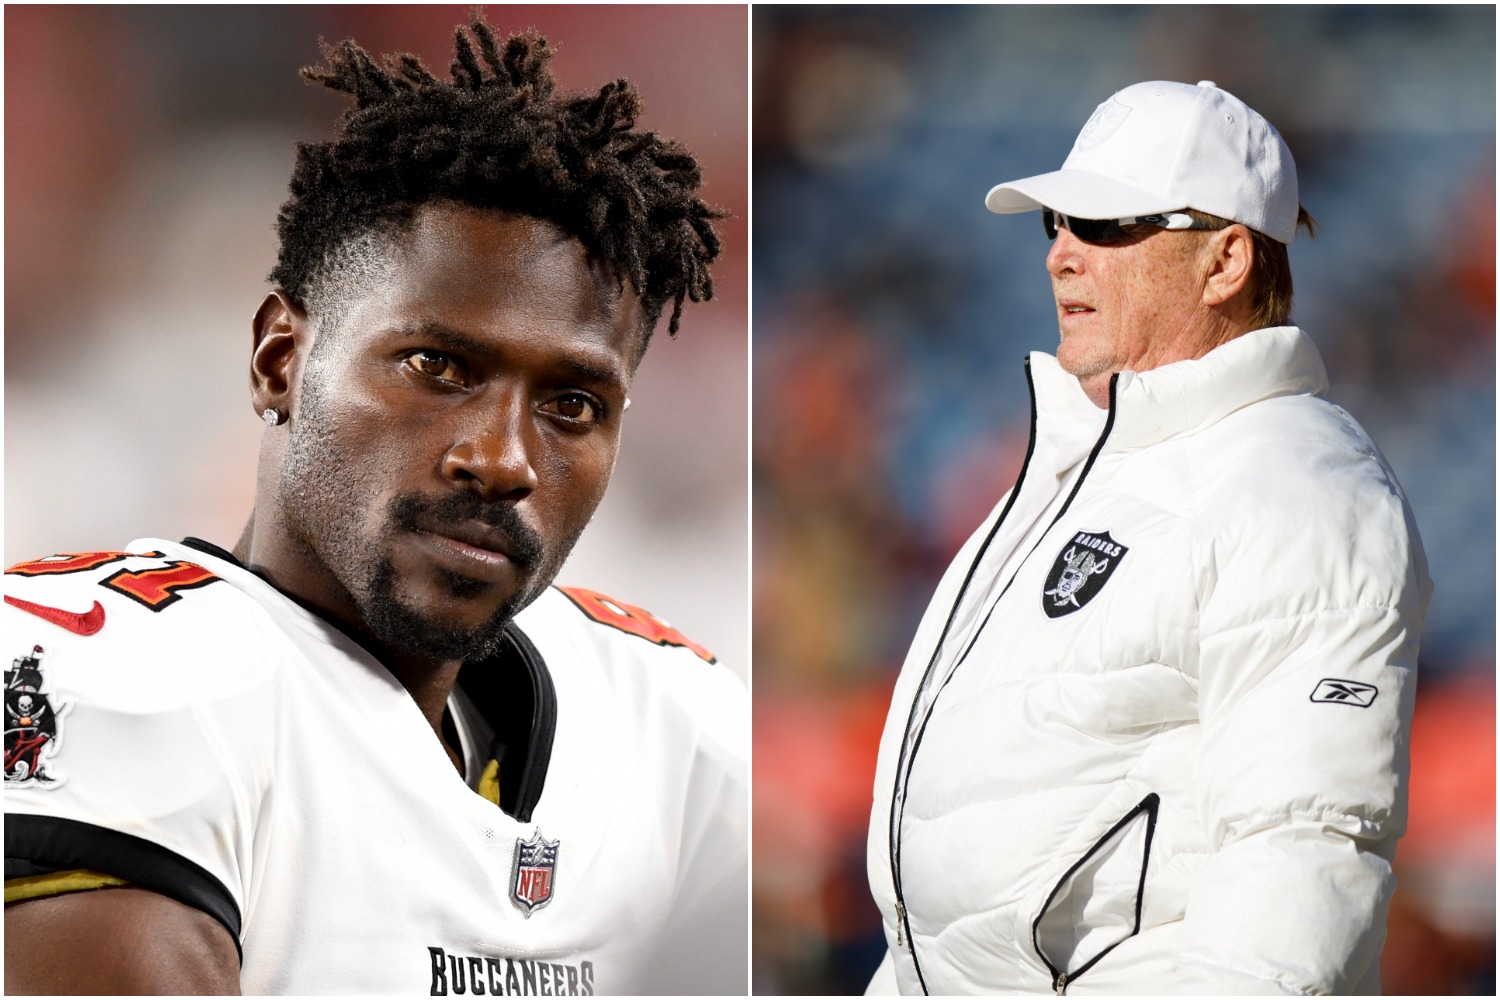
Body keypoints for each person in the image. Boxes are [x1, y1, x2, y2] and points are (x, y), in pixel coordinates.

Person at [4, 14, 747, 996]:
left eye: (572, 405)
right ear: (281, 360)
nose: (501, 458)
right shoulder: (117, 686)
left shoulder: (677, 726)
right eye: (437, 366)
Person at [864, 80, 1431, 995]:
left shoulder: (1298, 488)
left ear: (1226, 261)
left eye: (1109, 224)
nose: (1060, 256)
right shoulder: (1082, 466)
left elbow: (1300, 856)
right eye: (1055, 220)